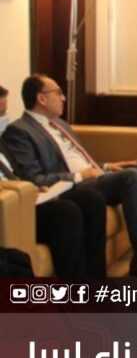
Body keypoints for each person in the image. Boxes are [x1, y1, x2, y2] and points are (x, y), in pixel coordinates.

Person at [2, 74, 137, 278]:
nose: (63, 98)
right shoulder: (20, 131)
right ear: (42, 98)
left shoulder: (60, 124)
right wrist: (80, 175)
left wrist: (107, 166)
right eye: (58, 93)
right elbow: (35, 178)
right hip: (77, 186)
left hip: (96, 175)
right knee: (131, 177)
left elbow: (77, 159)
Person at [0, 85, 106, 278]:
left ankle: (97, 282)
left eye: (4, 114)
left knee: (90, 199)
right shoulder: (18, 132)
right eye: (1, 116)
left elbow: (18, 174)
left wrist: (32, 189)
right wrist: (24, 191)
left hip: (29, 197)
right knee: (66, 212)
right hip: (10, 211)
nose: (4, 122)